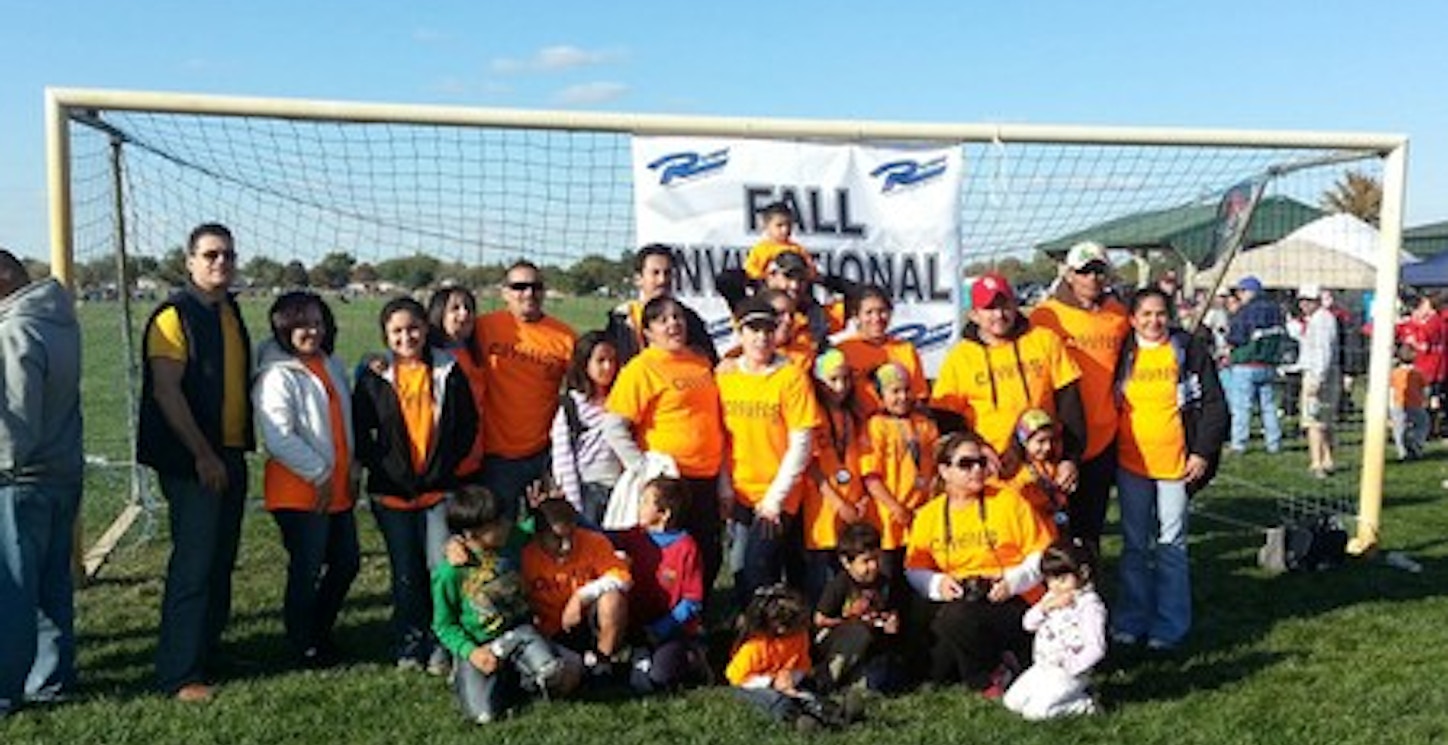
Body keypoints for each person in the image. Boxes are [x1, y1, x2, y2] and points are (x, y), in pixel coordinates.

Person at [138, 223, 253, 702]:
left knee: (221, 562)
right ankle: (178, 673)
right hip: (193, 461)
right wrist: (202, 455)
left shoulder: (229, 309)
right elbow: (167, 390)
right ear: (188, 261)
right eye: (209, 255)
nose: (219, 263)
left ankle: (207, 652)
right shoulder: (173, 316)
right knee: (194, 564)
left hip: (229, 453)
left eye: (226, 255)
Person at [353, 297, 479, 674]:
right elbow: (361, 430)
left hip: (438, 492)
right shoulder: (374, 376)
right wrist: (382, 465)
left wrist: (444, 465)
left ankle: (443, 642)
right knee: (405, 573)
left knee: (439, 569)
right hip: (391, 494)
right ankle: (410, 641)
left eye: (413, 328)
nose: (406, 337)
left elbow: (467, 425)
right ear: (385, 336)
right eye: (397, 331)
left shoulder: (448, 370)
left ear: (426, 329)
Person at [1112, 288, 1227, 650]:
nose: (1153, 321)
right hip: (1131, 463)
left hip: (1175, 464)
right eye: (1145, 314)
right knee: (1134, 546)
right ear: (1132, 319)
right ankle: (1131, 619)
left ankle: (1169, 625)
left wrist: (1202, 452)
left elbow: (1213, 404)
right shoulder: (1123, 353)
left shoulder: (1187, 349)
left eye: (1160, 313)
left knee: (1171, 545)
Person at [252, 291, 359, 668]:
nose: (310, 330)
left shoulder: (330, 364)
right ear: (283, 328)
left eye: (316, 322)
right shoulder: (278, 374)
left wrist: (353, 466)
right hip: (301, 491)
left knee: (347, 562)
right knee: (307, 568)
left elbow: (342, 424)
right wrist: (319, 473)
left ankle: (318, 630)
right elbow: (278, 436)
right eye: (300, 324)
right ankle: (304, 644)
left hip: (338, 487)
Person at [904, 431, 1054, 696]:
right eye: (966, 464)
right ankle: (1003, 661)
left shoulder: (1009, 501)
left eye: (981, 463)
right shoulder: (929, 515)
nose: (976, 470)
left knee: (955, 619)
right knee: (936, 666)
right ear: (944, 470)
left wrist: (1012, 581)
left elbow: (1042, 554)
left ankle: (986, 680)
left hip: (1012, 599)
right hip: (962, 599)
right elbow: (914, 568)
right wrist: (938, 584)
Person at [0, 250, 82, 717]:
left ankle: (5, 689)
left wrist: (5, 466)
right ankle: (50, 679)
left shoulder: (15, 329)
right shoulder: (59, 319)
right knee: (53, 583)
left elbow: (15, 419)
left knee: (12, 589)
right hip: (63, 472)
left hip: (20, 479)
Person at [605, 296, 727, 592]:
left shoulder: (700, 361)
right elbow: (614, 426)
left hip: (707, 476)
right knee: (668, 558)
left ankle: (697, 618)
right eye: (662, 320)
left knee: (708, 552)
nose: (673, 324)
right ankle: (661, 623)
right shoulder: (641, 368)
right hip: (671, 481)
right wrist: (645, 469)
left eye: (678, 317)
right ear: (647, 332)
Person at [432, 485, 581, 724]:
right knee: (484, 716)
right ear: (471, 534)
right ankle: (479, 677)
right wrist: (471, 653)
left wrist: (543, 508)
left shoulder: (512, 539)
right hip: (480, 645)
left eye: (502, 519)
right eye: (495, 524)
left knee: (554, 674)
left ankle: (522, 673)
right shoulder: (450, 573)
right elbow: (443, 625)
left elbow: (539, 526)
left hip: (519, 635)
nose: (504, 525)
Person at [931, 272, 1086, 493]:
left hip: (1043, 466)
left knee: (1046, 528)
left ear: (1015, 305)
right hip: (990, 470)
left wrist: (1070, 458)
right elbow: (947, 420)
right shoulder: (960, 358)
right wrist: (978, 450)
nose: (999, 314)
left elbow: (1070, 405)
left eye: (1005, 305)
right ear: (974, 314)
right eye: (989, 308)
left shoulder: (1044, 340)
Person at [717, 295, 823, 606]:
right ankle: (754, 638)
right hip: (738, 492)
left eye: (767, 329)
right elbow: (722, 437)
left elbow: (801, 443)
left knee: (757, 571)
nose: (761, 338)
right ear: (740, 332)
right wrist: (724, 487)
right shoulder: (726, 375)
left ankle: (770, 637)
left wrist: (775, 499)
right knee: (739, 571)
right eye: (753, 330)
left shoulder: (790, 376)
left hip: (777, 496)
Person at [1029, 241, 1129, 552]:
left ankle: (1090, 589)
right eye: (1085, 272)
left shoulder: (1118, 315)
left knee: (1091, 526)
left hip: (1103, 435)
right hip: (1059, 438)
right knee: (1052, 525)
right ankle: (1056, 591)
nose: (1092, 279)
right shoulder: (1045, 316)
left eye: (1099, 271)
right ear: (1070, 275)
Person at [474, 261, 577, 518]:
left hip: (542, 455)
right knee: (499, 536)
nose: (528, 293)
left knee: (544, 536)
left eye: (536, 286)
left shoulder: (565, 338)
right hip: (494, 456)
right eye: (519, 287)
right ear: (505, 293)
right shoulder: (483, 327)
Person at [608, 477, 709, 692]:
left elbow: (692, 601)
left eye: (645, 502)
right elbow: (602, 536)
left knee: (658, 679)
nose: (639, 507)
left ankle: (692, 657)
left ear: (664, 514)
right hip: (638, 625)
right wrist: (570, 514)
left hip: (671, 630)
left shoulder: (686, 548)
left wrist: (662, 628)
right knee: (639, 681)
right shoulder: (636, 536)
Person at [521, 499, 632, 679]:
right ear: (539, 535)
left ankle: (602, 665)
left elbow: (622, 577)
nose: (567, 545)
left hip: (588, 622)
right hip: (548, 629)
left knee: (613, 599)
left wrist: (580, 597)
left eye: (571, 535)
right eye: (557, 538)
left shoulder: (594, 541)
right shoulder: (525, 555)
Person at [726, 583, 858, 732]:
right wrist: (772, 682)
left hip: (787, 682)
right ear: (778, 626)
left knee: (807, 694)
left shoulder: (800, 637)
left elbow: (803, 665)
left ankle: (834, 712)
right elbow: (735, 678)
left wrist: (791, 678)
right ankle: (798, 720)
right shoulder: (754, 646)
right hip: (753, 686)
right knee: (777, 701)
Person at [1002, 538, 1106, 721]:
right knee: (1012, 702)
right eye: (1049, 580)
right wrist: (1045, 607)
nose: (1055, 585)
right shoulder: (1051, 597)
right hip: (1042, 666)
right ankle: (1059, 696)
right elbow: (1028, 623)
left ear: (1083, 573)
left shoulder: (1089, 606)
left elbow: (1096, 647)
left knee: (1035, 713)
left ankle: (1084, 704)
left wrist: (1071, 667)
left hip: (1069, 673)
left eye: (1062, 579)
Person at [800, 348, 871, 604]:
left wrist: (860, 499)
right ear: (819, 382)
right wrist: (839, 503)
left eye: (845, 379)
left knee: (849, 580)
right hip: (824, 509)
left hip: (852, 506)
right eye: (833, 380)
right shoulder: (813, 414)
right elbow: (811, 465)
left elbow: (862, 459)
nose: (840, 387)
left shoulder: (853, 415)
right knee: (822, 580)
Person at [860, 362, 939, 580]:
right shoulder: (875, 426)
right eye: (895, 391)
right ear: (880, 395)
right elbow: (871, 476)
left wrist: (930, 504)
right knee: (889, 579)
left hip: (920, 515)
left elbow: (935, 469)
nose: (902, 397)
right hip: (888, 520)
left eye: (906, 390)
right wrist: (896, 508)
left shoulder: (925, 424)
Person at [812, 523, 908, 694]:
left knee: (882, 680)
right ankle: (825, 681)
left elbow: (891, 610)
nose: (873, 566)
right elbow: (820, 619)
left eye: (876, 559)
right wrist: (849, 620)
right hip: (839, 643)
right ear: (846, 562)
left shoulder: (885, 583)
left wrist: (891, 622)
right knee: (858, 634)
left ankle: (854, 684)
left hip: (872, 645)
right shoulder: (840, 584)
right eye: (866, 561)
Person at [549, 331, 625, 525]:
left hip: (620, 491)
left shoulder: (624, 400)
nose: (608, 367)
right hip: (587, 490)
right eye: (600, 361)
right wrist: (574, 506)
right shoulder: (572, 406)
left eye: (612, 360)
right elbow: (563, 458)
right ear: (585, 364)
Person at [603, 243, 717, 366]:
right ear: (638, 279)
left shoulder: (688, 319)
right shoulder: (621, 320)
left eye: (667, 273)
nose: (662, 280)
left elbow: (711, 360)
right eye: (655, 273)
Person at [835, 284, 929, 415]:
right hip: (858, 426)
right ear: (856, 317)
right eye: (869, 312)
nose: (877, 318)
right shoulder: (843, 351)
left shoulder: (905, 350)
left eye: (882, 311)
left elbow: (919, 397)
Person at [427, 286, 487, 477]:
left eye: (469, 308)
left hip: (476, 459)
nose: (464, 313)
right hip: (441, 464)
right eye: (455, 308)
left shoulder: (476, 355)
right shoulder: (428, 357)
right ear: (439, 313)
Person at [1225, 275, 1286, 454]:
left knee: (1242, 407)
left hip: (1246, 363)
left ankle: (1239, 444)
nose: (1239, 295)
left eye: (1241, 291)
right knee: (1269, 406)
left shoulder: (1246, 311)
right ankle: (1274, 443)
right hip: (1268, 364)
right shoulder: (1276, 310)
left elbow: (1236, 337)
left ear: (1250, 291)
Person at [1293, 284, 1341, 478]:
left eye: (1308, 300)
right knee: (1325, 420)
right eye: (1302, 300)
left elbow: (1322, 352)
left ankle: (1316, 462)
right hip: (1325, 372)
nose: (1304, 304)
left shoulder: (1320, 321)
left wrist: (1317, 378)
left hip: (1318, 374)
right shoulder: (1322, 319)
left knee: (1313, 420)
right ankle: (1328, 459)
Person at [1003, 408, 1070, 537]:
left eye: (1050, 440)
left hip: (1055, 531)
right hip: (1031, 533)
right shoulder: (1014, 472)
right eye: (1041, 441)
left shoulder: (1050, 465)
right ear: (1024, 441)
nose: (1048, 447)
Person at [1390, 344, 1429, 461]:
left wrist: (1390, 406)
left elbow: (1390, 390)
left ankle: (1402, 451)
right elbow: (1425, 389)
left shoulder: (1394, 373)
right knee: (1423, 424)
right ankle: (1417, 443)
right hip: (1415, 404)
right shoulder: (1418, 373)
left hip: (1397, 404)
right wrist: (1425, 400)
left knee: (1399, 428)